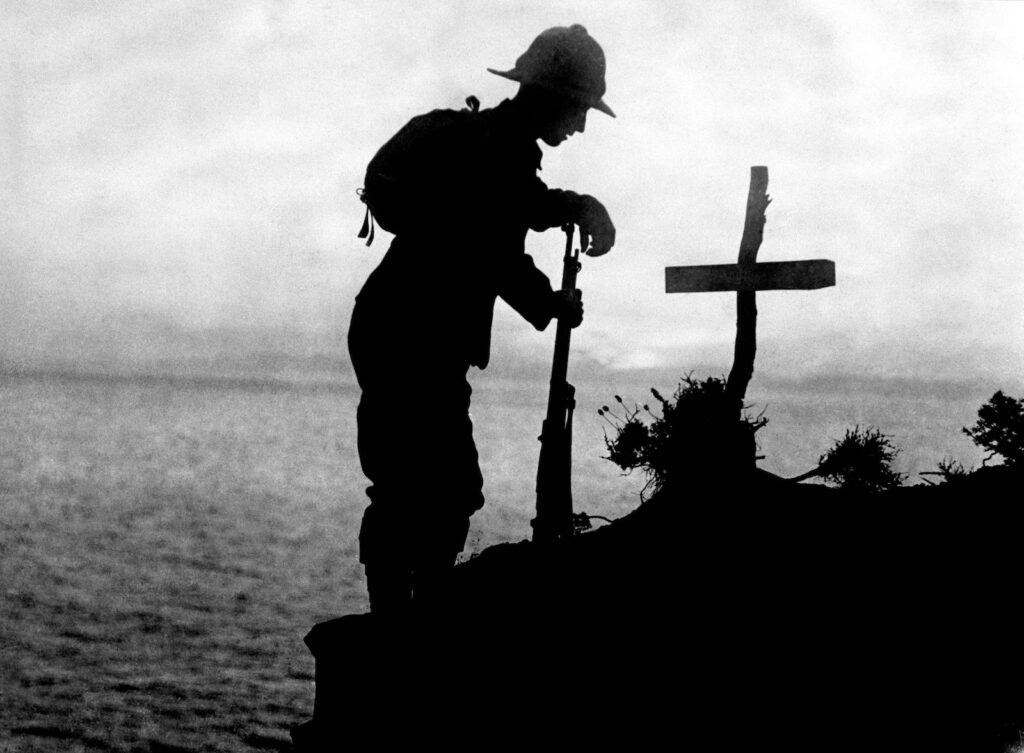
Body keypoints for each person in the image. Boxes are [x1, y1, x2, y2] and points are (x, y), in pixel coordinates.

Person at [348, 24, 617, 616]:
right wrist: (550, 297)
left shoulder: (498, 151)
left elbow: (509, 218)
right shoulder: (497, 153)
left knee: (430, 490)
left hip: (403, 329)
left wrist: (571, 214)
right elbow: (494, 242)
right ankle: (402, 622)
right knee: (427, 492)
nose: (580, 124)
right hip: (409, 335)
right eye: (579, 108)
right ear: (552, 97)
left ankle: (408, 613)